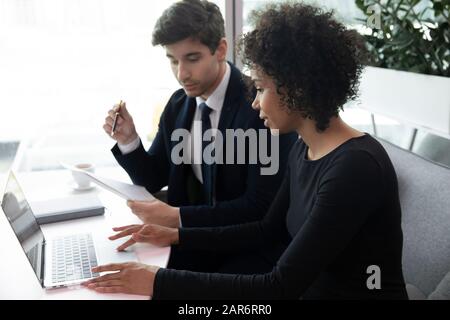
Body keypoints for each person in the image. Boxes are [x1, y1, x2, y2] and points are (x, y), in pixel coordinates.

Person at [86, 2, 408, 299]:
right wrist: (175, 236)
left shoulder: (355, 168)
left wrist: (157, 280)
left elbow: (278, 288)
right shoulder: (304, 148)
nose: (255, 101)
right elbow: (265, 229)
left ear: (298, 87)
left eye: (262, 87)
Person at [102, 0, 296, 273]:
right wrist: (128, 140)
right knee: (118, 269)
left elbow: (260, 207)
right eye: (172, 60)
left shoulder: (261, 107)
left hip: (250, 251)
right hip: (194, 241)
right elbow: (154, 178)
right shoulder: (179, 104)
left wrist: (177, 217)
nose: (181, 74)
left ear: (220, 49)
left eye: (192, 59)